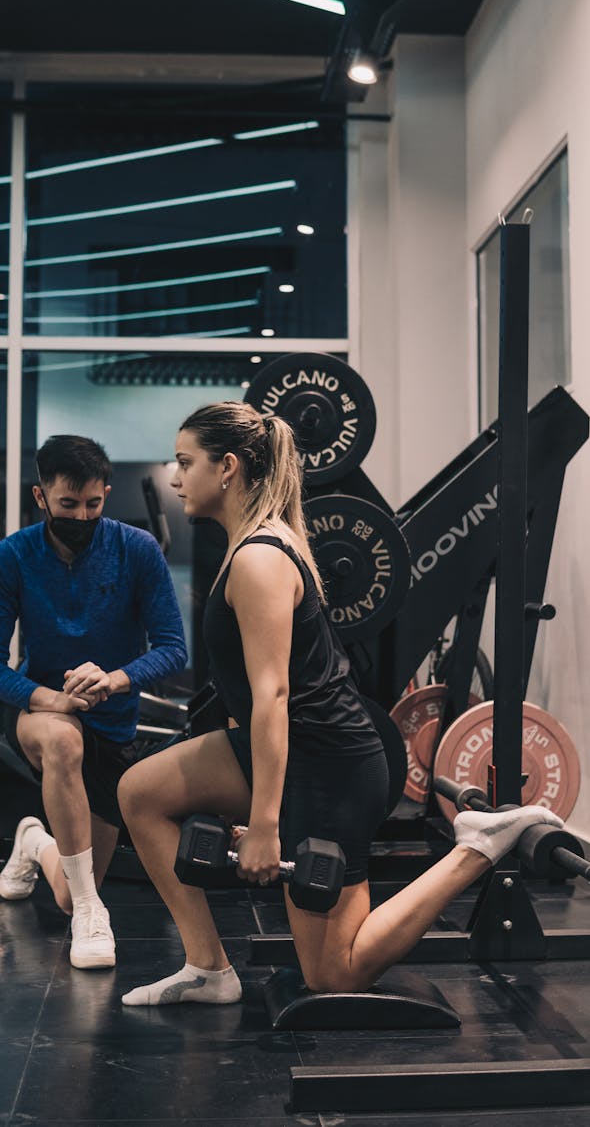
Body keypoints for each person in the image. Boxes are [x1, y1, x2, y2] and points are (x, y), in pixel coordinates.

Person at [117, 402, 563, 1005]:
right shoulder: (250, 545)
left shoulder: (260, 558)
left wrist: (266, 829)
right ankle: (207, 969)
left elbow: (275, 698)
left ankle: (481, 845)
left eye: (184, 462)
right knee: (141, 793)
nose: (175, 478)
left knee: (335, 974)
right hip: (282, 749)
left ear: (226, 467)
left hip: (327, 765)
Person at [0, 434, 187, 970]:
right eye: (68, 504)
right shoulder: (12, 557)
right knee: (64, 743)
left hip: (113, 724)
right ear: (41, 497)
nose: (81, 515)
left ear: (106, 494)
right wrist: (53, 700)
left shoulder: (136, 550)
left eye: (93, 504)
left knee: (65, 886)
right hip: (40, 714)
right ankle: (92, 912)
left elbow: (173, 649)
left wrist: (114, 680)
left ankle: (33, 842)